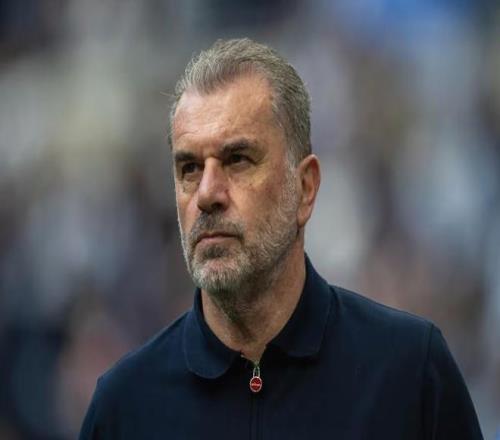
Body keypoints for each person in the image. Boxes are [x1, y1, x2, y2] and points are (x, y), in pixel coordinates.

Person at [79, 38, 483, 439]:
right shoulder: (124, 408)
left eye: (237, 160)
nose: (206, 194)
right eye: (189, 168)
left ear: (304, 188)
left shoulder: (409, 373)